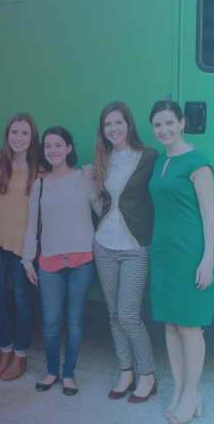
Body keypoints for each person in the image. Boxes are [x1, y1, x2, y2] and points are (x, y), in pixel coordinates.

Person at [0, 114, 94, 382]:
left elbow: (96, 205)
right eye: (14, 132)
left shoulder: (63, 176)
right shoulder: (12, 168)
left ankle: (46, 365)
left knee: (53, 313)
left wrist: (95, 179)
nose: (18, 138)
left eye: (24, 133)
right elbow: (31, 224)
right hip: (22, 250)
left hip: (56, 253)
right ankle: (27, 360)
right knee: (8, 307)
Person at [149, 100, 214, 424]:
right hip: (162, 253)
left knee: (190, 327)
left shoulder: (197, 162)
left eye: (169, 123)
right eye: (157, 125)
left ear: (182, 122)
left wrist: (208, 259)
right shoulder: (160, 161)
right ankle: (179, 390)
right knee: (170, 324)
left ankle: (192, 393)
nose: (163, 130)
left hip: (189, 253)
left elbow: (210, 218)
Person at [22, 126, 101, 396]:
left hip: (82, 261)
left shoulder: (84, 178)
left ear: (69, 148)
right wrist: (27, 261)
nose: (52, 150)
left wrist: (97, 179)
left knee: (75, 321)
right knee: (50, 322)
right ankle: (52, 370)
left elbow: (102, 210)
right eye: (47, 146)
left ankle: (69, 374)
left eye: (58, 145)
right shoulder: (40, 184)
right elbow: (32, 227)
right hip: (49, 263)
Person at [92, 102, 159, 403]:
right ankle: (126, 371)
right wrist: (87, 188)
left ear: (128, 125)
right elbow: (102, 205)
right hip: (104, 244)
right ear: (103, 130)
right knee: (114, 314)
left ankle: (148, 375)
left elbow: (162, 193)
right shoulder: (102, 158)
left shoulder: (149, 157)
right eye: (108, 125)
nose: (113, 129)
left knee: (129, 314)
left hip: (135, 247)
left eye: (118, 123)